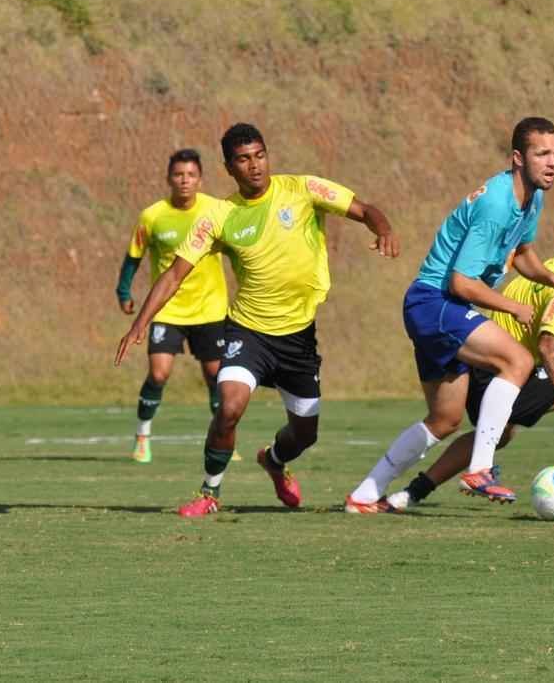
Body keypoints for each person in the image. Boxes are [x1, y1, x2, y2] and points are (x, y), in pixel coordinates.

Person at [115, 123, 399, 517]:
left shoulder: (303, 189)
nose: (255, 166)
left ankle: (274, 460)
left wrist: (383, 229)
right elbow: (174, 274)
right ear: (229, 167)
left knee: (304, 435)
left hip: (298, 337)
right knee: (229, 407)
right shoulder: (219, 216)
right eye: (244, 159)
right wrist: (140, 322)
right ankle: (209, 493)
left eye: (259, 155)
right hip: (248, 331)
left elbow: (365, 209)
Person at [344, 116, 554, 513]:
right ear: (518, 158)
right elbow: (460, 283)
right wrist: (513, 306)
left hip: (438, 308)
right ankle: (481, 468)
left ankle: (364, 495)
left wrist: (553, 280)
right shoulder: (496, 203)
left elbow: (521, 253)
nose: (552, 162)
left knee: (445, 420)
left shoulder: (532, 198)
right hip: (435, 302)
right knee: (518, 359)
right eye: (542, 154)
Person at [358, 237, 554, 513]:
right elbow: (548, 341)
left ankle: (409, 494)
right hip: (508, 369)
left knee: (498, 434)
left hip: (487, 359)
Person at [115, 149, 229, 464]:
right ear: (169, 178)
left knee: (215, 375)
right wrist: (123, 291)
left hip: (210, 307)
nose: (184, 180)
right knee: (159, 372)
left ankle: (222, 438)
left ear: (200, 178)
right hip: (167, 309)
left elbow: (238, 247)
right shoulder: (152, 216)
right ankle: (142, 434)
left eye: (191, 175)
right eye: (179, 174)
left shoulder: (217, 210)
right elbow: (133, 258)